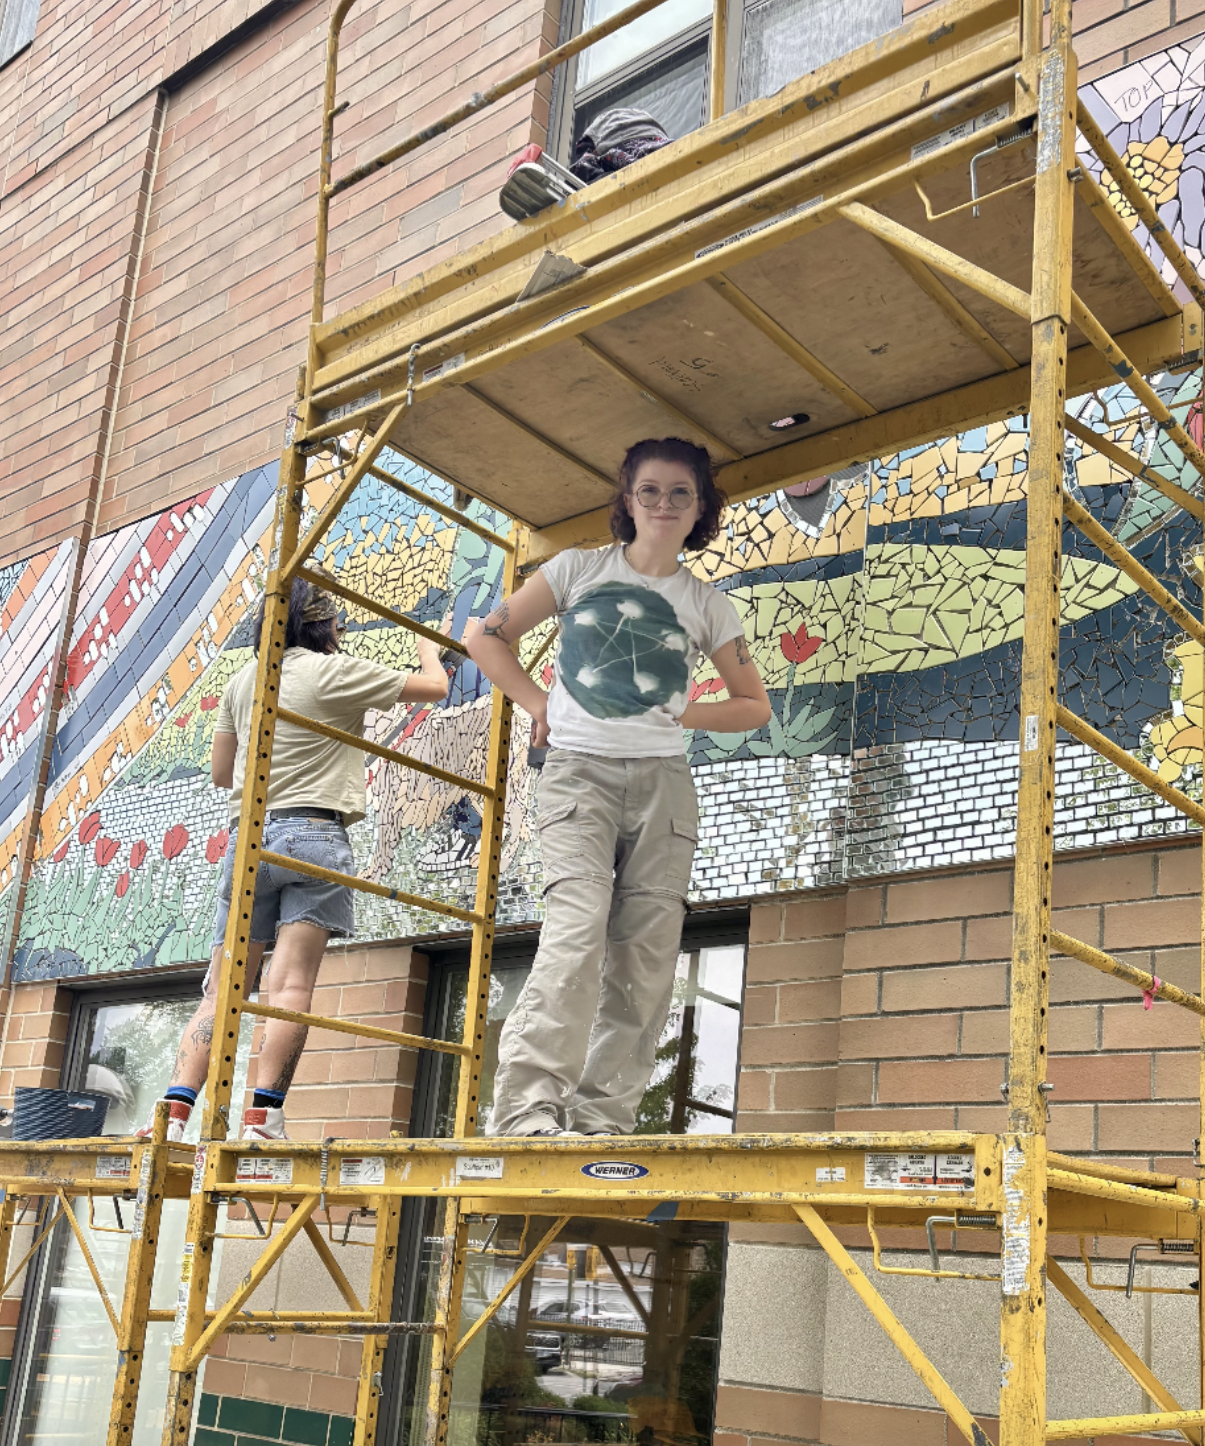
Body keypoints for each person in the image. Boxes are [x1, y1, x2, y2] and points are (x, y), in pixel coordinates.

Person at [463, 437, 772, 1137]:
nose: (664, 504)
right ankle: (524, 1113)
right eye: (650, 491)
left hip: (664, 786)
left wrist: (684, 711)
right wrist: (538, 703)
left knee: (647, 956)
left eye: (680, 493)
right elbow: (485, 639)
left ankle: (603, 1120)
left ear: (701, 510)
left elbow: (754, 705)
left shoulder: (707, 604)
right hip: (579, 776)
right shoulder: (577, 570)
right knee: (575, 935)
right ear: (627, 501)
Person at [139, 569, 452, 1143]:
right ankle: (263, 1120)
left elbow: (219, 773)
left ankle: (174, 1118)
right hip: (314, 835)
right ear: (325, 624)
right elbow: (435, 689)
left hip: (251, 836)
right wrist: (429, 648)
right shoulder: (331, 672)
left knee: (227, 986)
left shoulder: (244, 680)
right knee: (289, 988)